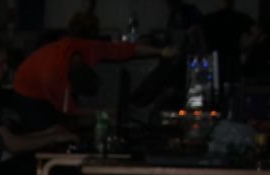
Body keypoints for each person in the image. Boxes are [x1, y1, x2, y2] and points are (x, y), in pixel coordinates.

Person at [12, 30, 173, 126]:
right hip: (26, 93)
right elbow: (72, 110)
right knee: (49, 131)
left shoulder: (85, 49)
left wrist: (161, 51)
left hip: (44, 72)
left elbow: (125, 49)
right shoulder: (54, 79)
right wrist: (111, 112)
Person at [0, 35, 77, 156]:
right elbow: (12, 144)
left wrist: (48, 133)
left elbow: (9, 138)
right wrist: (52, 137)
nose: (5, 68)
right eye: (1, 63)